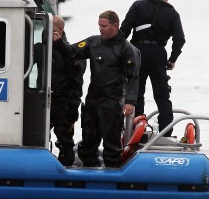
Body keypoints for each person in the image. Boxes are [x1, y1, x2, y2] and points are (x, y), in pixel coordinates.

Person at [54, 10, 139, 168]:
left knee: (111, 146)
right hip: (93, 100)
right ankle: (89, 176)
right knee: (87, 144)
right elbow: (72, 52)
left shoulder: (126, 48)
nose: (100, 29)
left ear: (115, 26)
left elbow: (133, 77)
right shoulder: (93, 42)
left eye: (104, 26)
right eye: (99, 25)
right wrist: (58, 42)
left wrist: (130, 102)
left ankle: (112, 178)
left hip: (112, 102)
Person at [120, 0, 185, 136]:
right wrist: (172, 59)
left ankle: (137, 129)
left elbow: (124, 31)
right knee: (162, 93)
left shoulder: (138, 6)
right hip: (158, 54)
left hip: (137, 52)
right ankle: (166, 131)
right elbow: (180, 39)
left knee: (137, 91)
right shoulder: (172, 13)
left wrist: (120, 53)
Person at [36, 15, 86, 166]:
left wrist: (73, 106)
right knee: (39, 136)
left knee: (65, 139)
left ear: (60, 30)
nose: (48, 32)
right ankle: (42, 163)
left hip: (63, 101)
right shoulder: (40, 48)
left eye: (52, 30)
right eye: (46, 29)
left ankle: (66, 165)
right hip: (42, 98)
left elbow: (77, 81)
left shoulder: (72, 53)